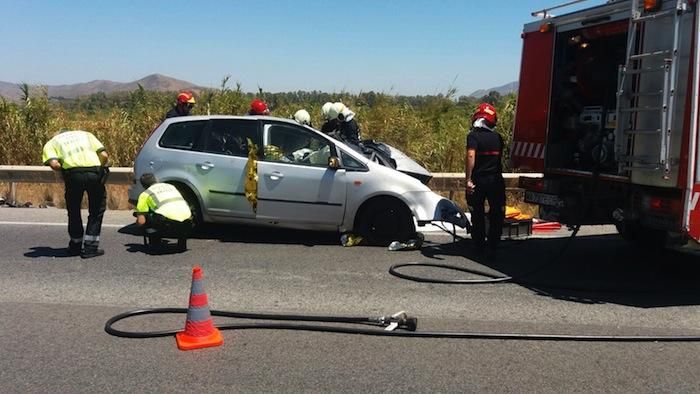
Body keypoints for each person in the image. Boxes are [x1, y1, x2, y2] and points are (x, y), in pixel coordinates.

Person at [42, 130, 110, 258]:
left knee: (73, 210)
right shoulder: (87, 135)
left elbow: (54, 164)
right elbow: (104, 155)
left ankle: (75, 245)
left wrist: (66, 171)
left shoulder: (52, 142)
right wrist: (99, 168)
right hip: (94, 173)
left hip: (73, 175)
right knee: (96, 210)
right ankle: (90, 248)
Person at [465, 103, 505, 258]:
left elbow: (470, 156)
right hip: (496, 181)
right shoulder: (498, 138)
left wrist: (468, 179)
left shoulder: (473, 137)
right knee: (496, 213)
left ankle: (479, 246)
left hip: (478, 181)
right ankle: (494, 245)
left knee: (477, 214)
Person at [134, 173, 193, 252]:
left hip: (168, 224)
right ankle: (182, 244)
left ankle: (155, 244)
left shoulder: (145, 194)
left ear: (143, 186)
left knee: (146, 216)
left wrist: (139, 225)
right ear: (156, 180)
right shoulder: (170, 186)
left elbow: (141, 221)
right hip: (188, 221)